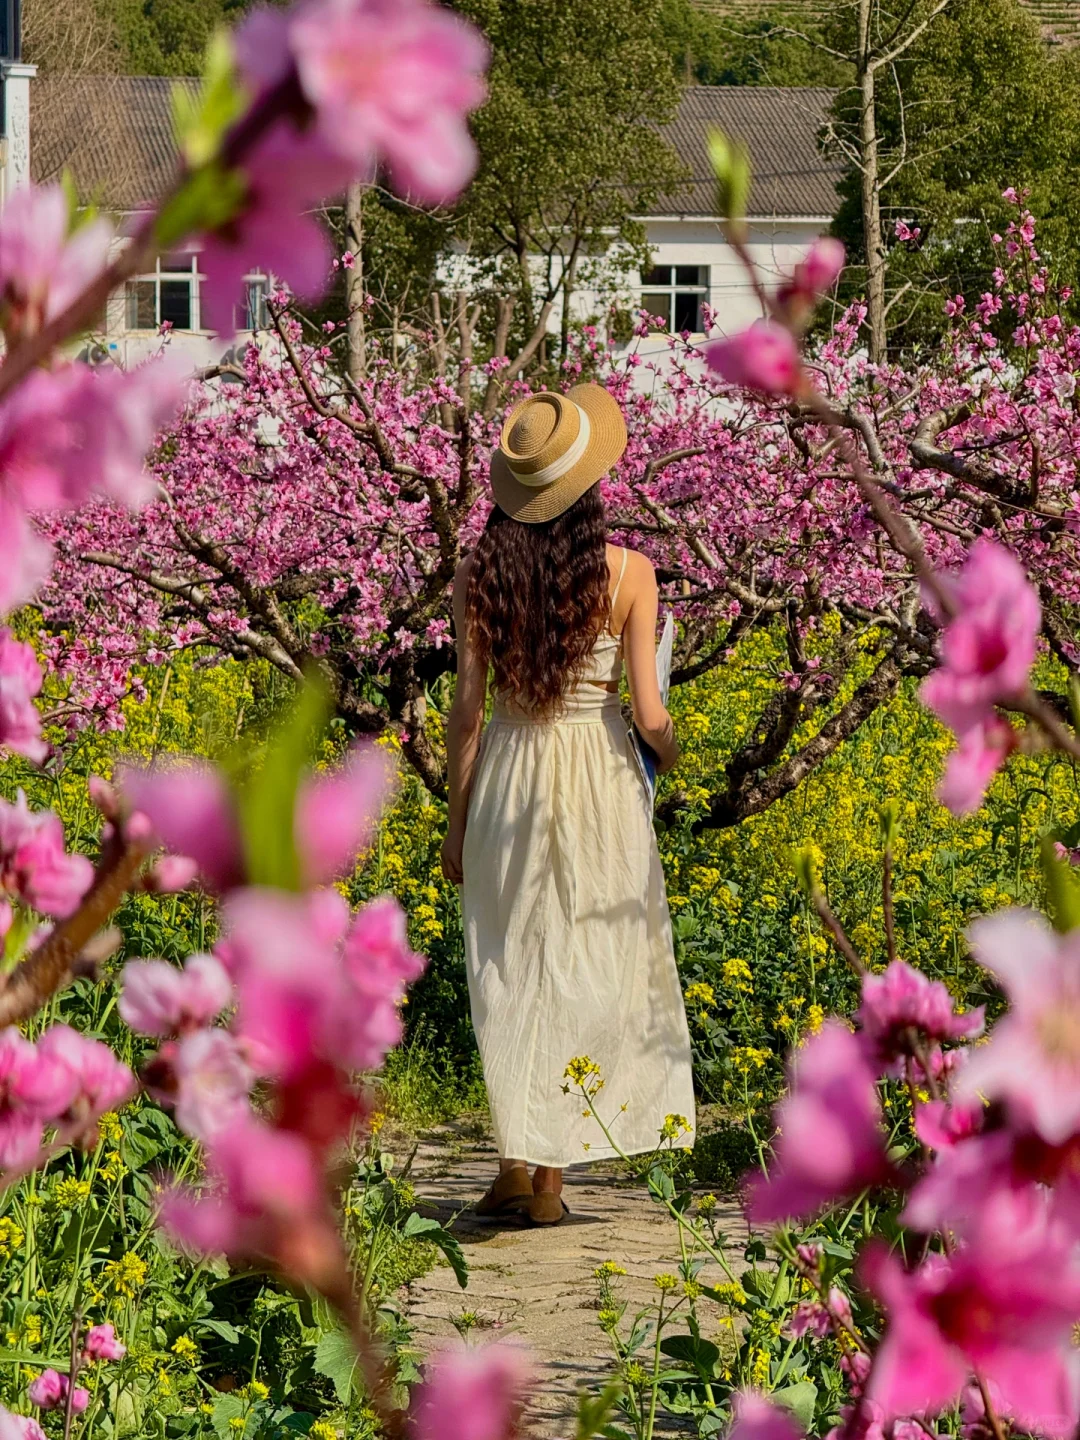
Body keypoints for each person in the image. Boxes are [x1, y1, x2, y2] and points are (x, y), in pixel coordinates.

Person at [441, 384, 695, 1227]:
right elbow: (650, 714)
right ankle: (545, 1181)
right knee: (584, 960)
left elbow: (467, 714)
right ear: (589, 486)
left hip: (510, 772)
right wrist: (672, 751)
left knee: (511, 964)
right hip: (598, 775)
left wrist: (456, 824)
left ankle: (519, 1161)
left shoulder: (478, 575)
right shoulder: (629, 573)